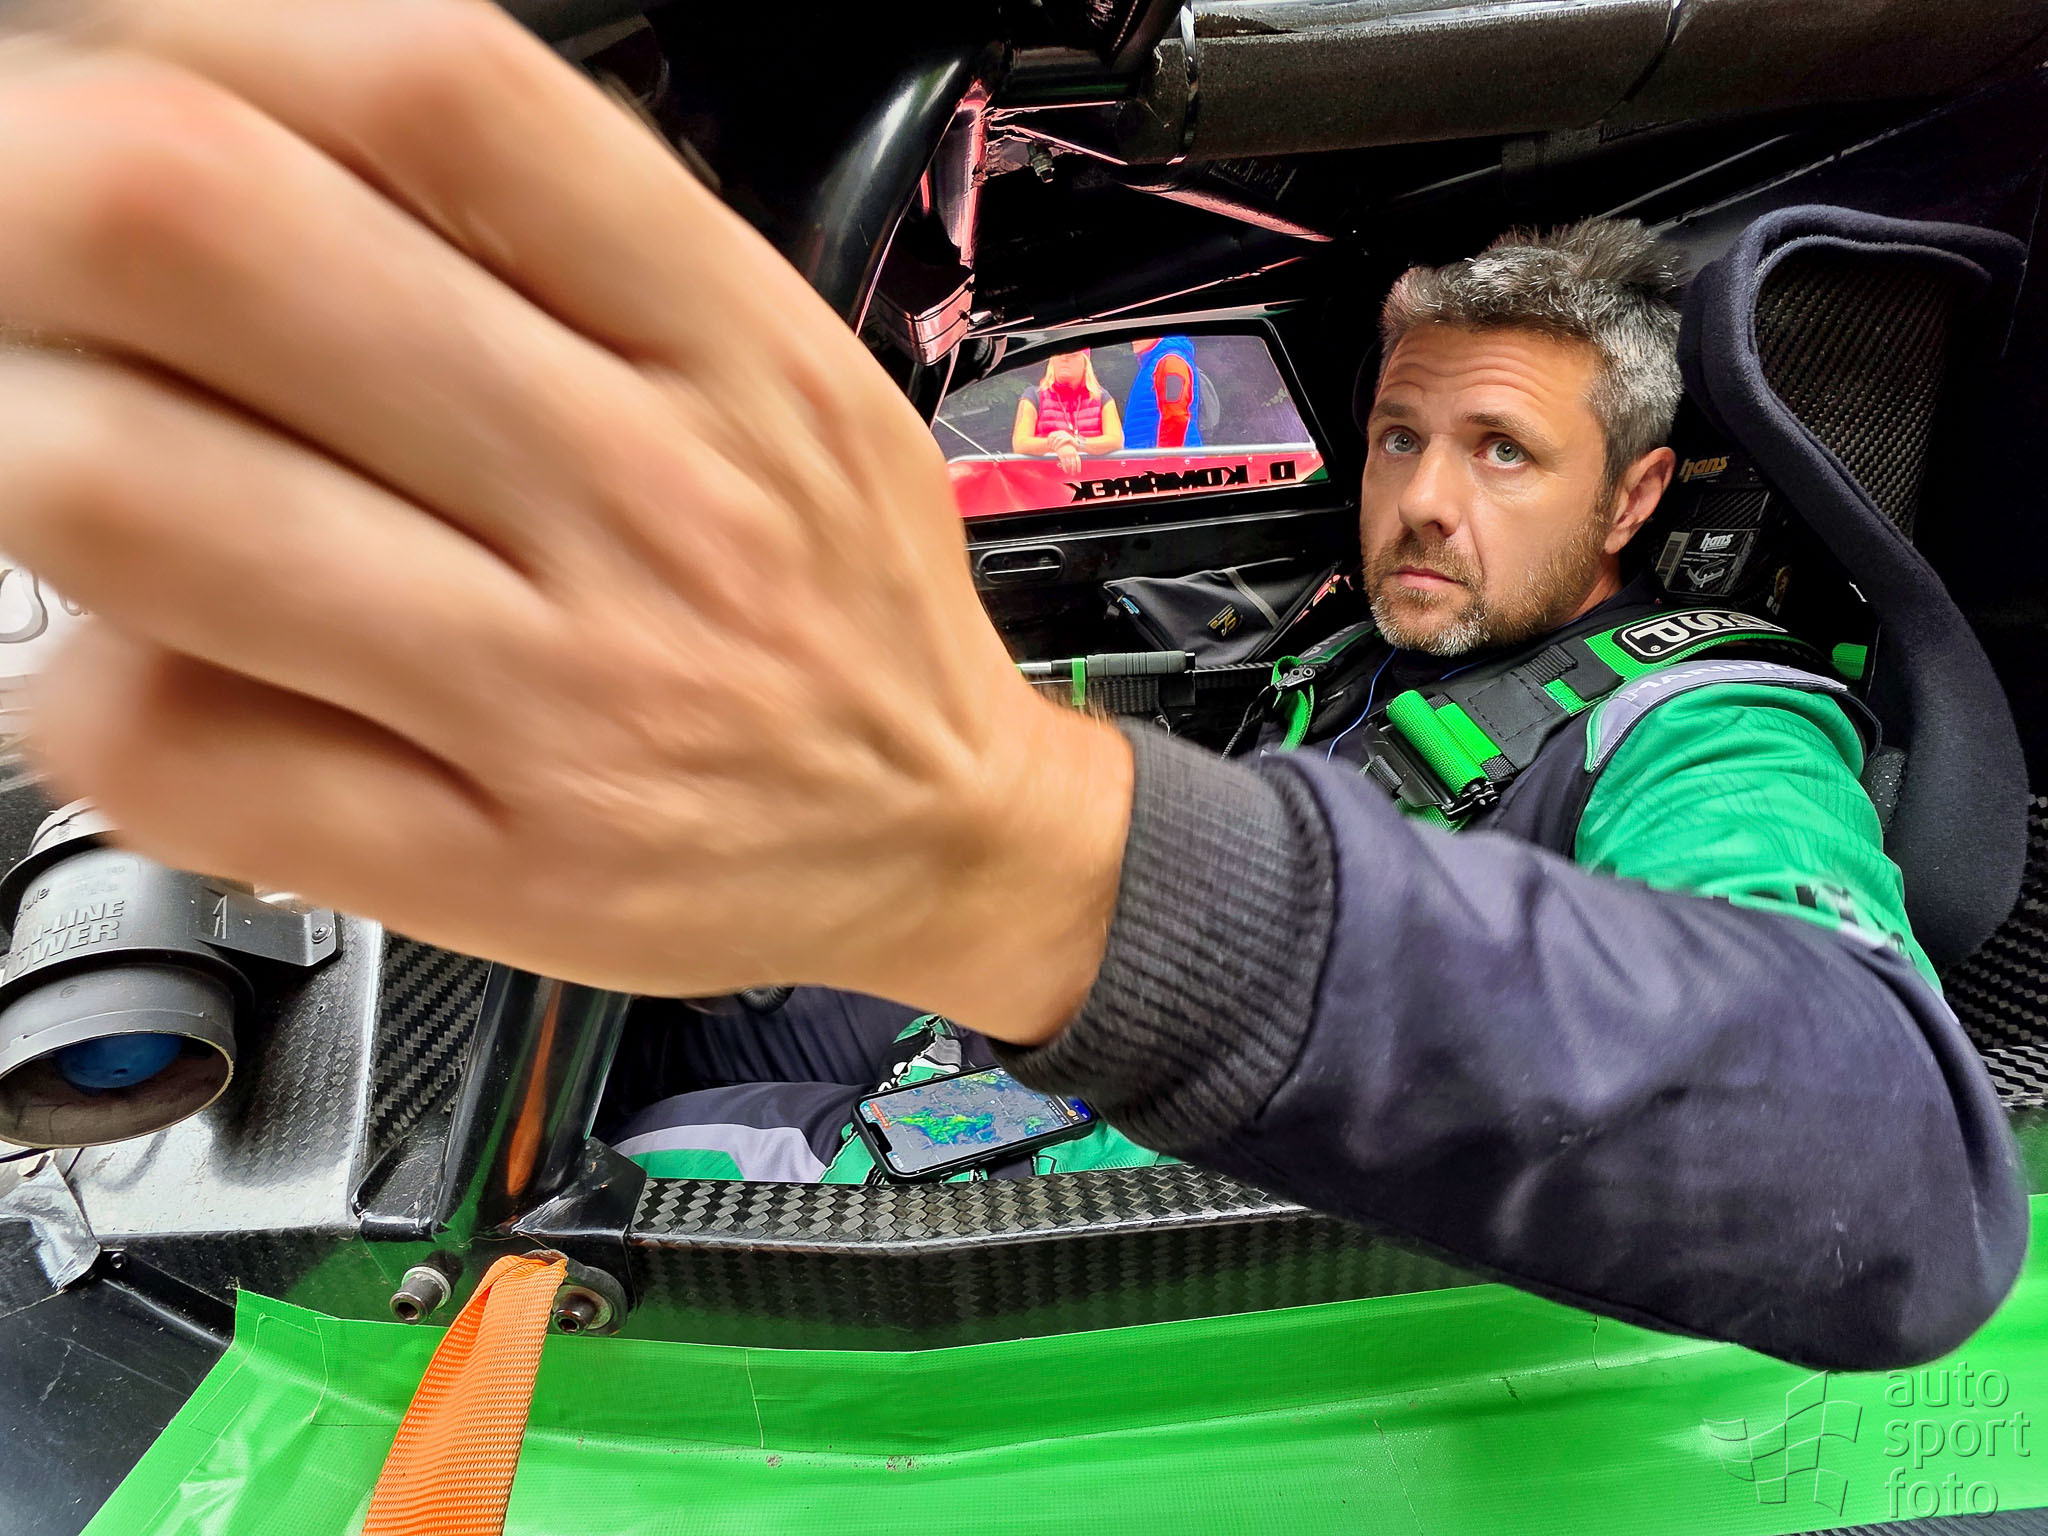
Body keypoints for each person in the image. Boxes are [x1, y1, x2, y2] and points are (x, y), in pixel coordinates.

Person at [0, 4, 2019, 1368]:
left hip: (1159, 1201)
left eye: (1501, 454)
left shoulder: (1708, 717)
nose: (1419, 499)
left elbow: (1894, 1166)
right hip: (1038, 1063)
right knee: (652, 947)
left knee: (639, 1177)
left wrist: (1049, 858)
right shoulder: (1361, 650)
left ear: (1635, 497)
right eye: (1400, 438)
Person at [1010, 349, 1123, 474]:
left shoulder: (1102, 397)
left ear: (1085, 362)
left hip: (1093, 477)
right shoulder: (1033, 396)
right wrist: (1058, 444)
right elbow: (1020, 443)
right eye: (1058, 353)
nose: (1064, 358)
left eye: (1072, 354)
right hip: (1045, 477)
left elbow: (1116, 440)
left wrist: (1077, 443)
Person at [1122, 335, 1203, 449]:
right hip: (1153, 454)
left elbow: (1176, 415)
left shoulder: (1171, 362)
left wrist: (1165, 456)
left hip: (1163, 456)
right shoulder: (1154, 363)